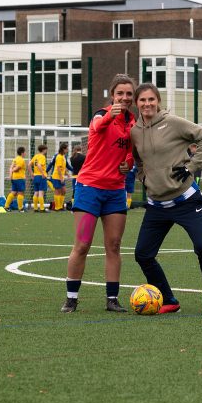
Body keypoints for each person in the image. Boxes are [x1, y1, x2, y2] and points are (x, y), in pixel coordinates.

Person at [130, 82, 202, 316]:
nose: (147, 104)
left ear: (158, 101)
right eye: (143, 100)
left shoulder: (172, 122)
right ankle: (169, 299)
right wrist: (143, 177)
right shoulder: (134, 131)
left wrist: (192, 167)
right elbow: (138, 160)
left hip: (186, 202)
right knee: (143, 254)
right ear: (137, 103)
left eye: (151, 99)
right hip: (156, 206)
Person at [60, 76, 135, 314]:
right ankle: (71, 298)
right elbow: (96, 127)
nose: (124, 98)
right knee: (82, 244)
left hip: (115, 192)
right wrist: (109, 115)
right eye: (120, 93)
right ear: (112, 95)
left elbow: (131, 154)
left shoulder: (133, 123)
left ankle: (112, 299)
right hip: (89, 189)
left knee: (113, 245)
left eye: (128, 94)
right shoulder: (101, 115)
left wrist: (128, 164)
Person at [4, 146, 27, 212]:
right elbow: (16, 169)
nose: (25, 153)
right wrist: (13, 170)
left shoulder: (15, 159)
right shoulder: (21, 160)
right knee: (21, 193)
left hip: (14, 178)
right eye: (25, 152)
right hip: (20, 178)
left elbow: (11, 168)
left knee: (13, 192)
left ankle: (6, 206)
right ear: (22, 153)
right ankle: (20, 208)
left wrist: (10, 175)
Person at [49, 143, 70, 211]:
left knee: (64, 191)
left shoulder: (63, 156)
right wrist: (61, 178)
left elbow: (63, 168)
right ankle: (57, 207)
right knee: (57, 191)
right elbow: (58, 169)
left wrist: (67, 173)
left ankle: (61, 206)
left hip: (61, 176)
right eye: (67, 148)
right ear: (63, 149)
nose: (68, 150)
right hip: (56, 177)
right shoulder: (59, 157)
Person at [30, 144, 49, 212]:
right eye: (46, 149)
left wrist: (32, 173)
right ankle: (42, 208)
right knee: (41, 193)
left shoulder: (35, 156)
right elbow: (39, 165)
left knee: (36, 192)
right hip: (41, 176)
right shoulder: (42, 156)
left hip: (35, 176)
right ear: (43, 150)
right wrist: (43, 173)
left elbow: (29, 164)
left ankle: (35, 208)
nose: (46, 151)